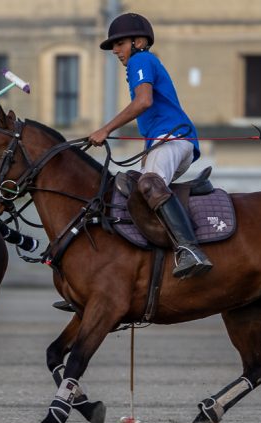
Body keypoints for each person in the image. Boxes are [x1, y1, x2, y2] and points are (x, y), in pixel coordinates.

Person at [88, 12, 212, 278]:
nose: (115, 50)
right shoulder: (142, 62)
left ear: (139, 41)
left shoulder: (141, 59)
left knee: (148, 185)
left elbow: (143, 101)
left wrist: (105, 129)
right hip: (164, 140)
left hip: (171, 137)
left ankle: (190, 250)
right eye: (113, 46)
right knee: (130, 189)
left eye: (119, 44)